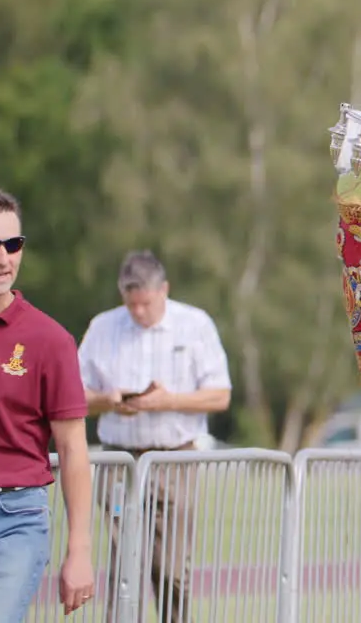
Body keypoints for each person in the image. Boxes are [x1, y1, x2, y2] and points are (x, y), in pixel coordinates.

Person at [79, 249, 232, 623]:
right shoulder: (103, 327)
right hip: (119, 464)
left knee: (171, 566)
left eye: (145, 303)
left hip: (174, 461)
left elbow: (220, 395)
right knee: (122, 556)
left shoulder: (195, 325)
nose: (138, 312)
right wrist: (108, 400)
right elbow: (75, 396)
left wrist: (168, 401)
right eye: (131, 304)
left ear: (163, 290)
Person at [0, 188, 95, 620]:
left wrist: (79, 551)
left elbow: (72, 449)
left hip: (14, 518)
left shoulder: (50, 341)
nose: (2, 258)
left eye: (13, 244)